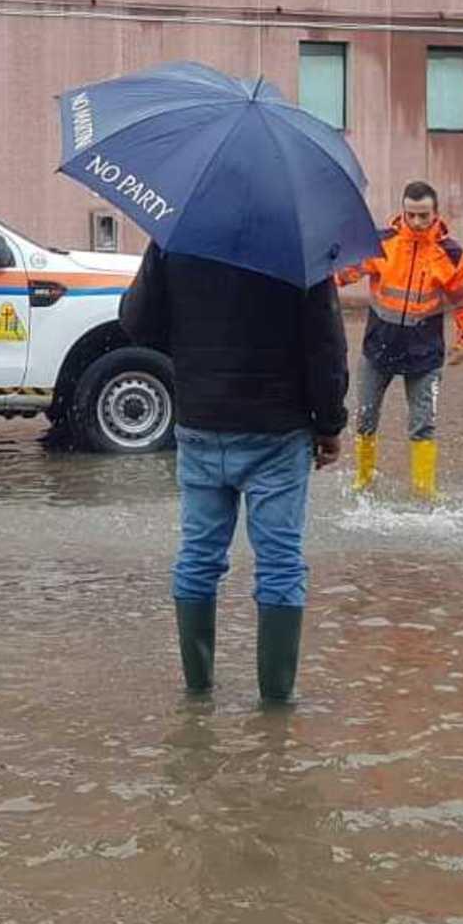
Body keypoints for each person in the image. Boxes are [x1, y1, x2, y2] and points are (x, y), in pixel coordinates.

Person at [121, 246, 348, 704]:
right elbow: (325, 345)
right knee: (280, 562)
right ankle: (276, 705)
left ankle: (198, 692)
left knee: (198, 557)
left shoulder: (178, 236)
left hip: (201, 421)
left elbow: (137, 322)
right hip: (278, 430)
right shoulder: (300, 243)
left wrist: (194, 356)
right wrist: (329, 424)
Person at [335, 181, 463, 503]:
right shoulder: (380, 243)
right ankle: (364, 478)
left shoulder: (451, 254)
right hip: (378, 349)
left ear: (436, 214)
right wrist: (327, 266)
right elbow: (344, 272)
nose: (417, 222)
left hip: (425, 355)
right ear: (403, 211)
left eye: (423, 216)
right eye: (411, 215)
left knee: (423, 424)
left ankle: (424, 490)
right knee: (365, 417)